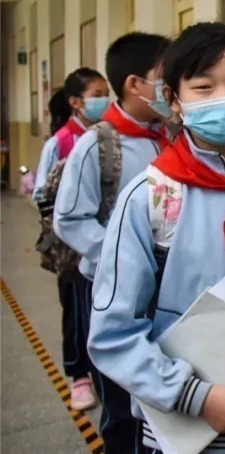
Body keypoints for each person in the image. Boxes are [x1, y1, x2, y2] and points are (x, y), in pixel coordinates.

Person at [89, 23, 225, 453]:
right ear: (173, 100)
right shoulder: (151, 198)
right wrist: (194, 396)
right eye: (203, 87)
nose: (223, 97)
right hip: (189, 429)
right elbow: (113, 333)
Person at [53, 32, 172, 452]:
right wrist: (123, 257)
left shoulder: (171, 135)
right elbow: (69, 218)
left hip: (165, 288)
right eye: (163, 76)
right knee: (121, 400)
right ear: (135, 84)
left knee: (158, 385)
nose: (171, 84)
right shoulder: (98, 146)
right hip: (110, 286)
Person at [34, 73, 108, 411]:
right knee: (75, 312)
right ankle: (79, 376)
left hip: (102, 245)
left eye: (106, 94)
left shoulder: (109, 137)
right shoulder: (62, 142)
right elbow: (42, 194)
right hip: (73, 248)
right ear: (75, 102)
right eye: (97, 95)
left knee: (98, 310)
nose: (104, 101)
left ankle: (104, 370)